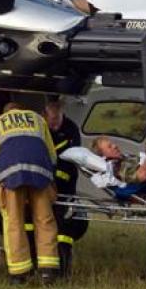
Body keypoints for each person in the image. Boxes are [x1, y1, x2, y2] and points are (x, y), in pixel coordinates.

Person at [0, 102, 60, 284]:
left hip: (11, 174)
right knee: (45, 219)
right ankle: (48, 271)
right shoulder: (37, 119)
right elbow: (52, 153)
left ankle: (19, 273)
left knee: (14, 221)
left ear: (6, 112)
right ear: (21, 109)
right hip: (40, 172)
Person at [43, 98, 88, 278]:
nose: (54, 126)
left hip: (65, 186)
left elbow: (73, 160)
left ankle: (63, 269)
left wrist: (57, 179)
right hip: (44, 185)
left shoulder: (71, 129)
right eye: (51, 122)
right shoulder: (43, 128)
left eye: (56, 121)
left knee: (64, 229)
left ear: (62, 114)